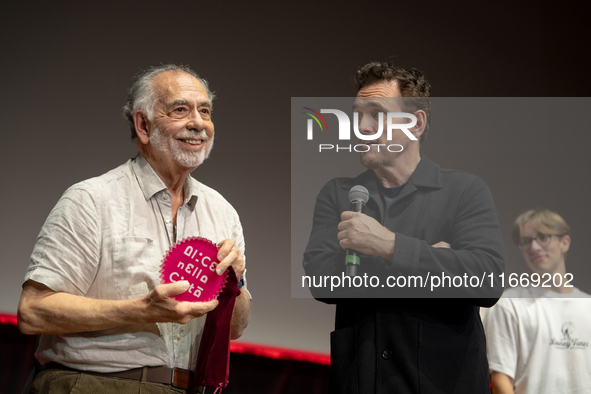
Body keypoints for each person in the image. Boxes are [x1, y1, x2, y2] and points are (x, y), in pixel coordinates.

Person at [17, 64, 251, 393]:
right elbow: (33, 312)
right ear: (143, 125)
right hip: (94, 383)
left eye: (205, 111)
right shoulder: (91, 200)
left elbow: (237, 327)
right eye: (180, 110)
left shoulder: (223, 213)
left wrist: (235, 282)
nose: (198, 123)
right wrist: (138, 311)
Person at [303, 61, 505, 393]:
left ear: (416, 123)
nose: (363, 126)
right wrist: (435, 262)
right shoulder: (339, 193)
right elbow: (322, 280)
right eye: (358, 115)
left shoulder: (464, 190)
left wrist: (387, 245)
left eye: (376, 114)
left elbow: (486, 280)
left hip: (443, 383)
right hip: (363, 381)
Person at [484, 209, 591, 394]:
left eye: (543, 237)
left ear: (564, 242)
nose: (534, 247)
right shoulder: (509, 304)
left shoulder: (587, 305)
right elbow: (500, 378)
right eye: (526, 241)